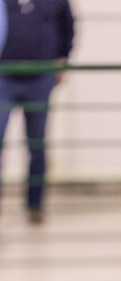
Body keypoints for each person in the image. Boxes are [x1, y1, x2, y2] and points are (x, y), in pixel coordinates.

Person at [0, 0, 75, 224]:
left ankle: (35, 204)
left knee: (37, 143)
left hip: (41, 76)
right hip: (4, 76)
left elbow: (68, 26)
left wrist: (62, 59)